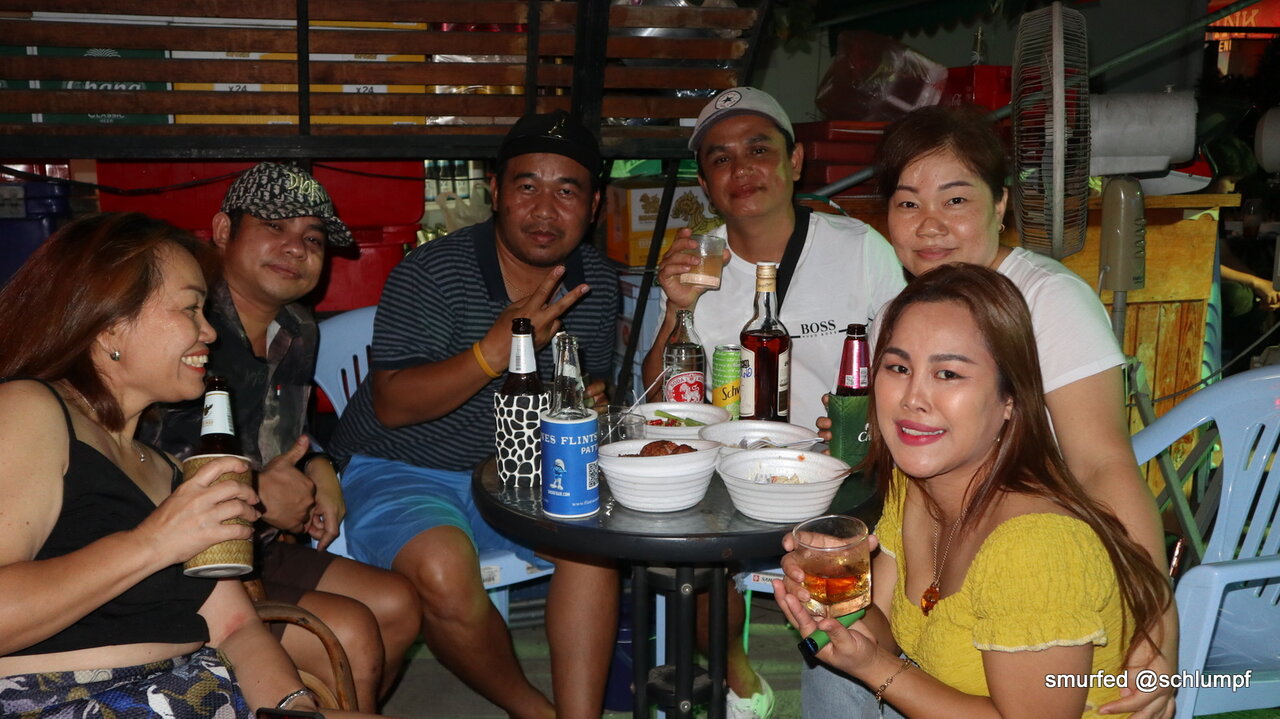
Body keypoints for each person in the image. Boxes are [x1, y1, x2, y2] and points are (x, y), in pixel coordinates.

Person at [807, 105, 1176, 718]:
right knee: (831, 664)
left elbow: (1104, 464)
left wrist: (1155, 630)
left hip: (1046, 572)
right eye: (907, 203)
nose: (930, 224)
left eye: (955, 200)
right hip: (953, 551)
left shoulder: (1048, 301)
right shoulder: (903, 311)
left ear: (1001, 204)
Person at [0, 212, 376, 719]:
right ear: (110, 324)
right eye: (190, 309)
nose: (210, 332)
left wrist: (294, 706)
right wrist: (154, 542)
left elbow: (235, 625)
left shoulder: (164, 469)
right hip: (71, 700)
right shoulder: (30, 410)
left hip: (196, 691)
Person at [775, 263, 1173, 719]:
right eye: (898, 367)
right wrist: (835, 592)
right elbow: (885, 634)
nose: (912, 398)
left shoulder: (1036, 547)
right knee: (827, 663)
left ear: (1009, 399)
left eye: (948, 374)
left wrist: (874, 667)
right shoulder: (916, 484)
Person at [328, 110, 620, 719]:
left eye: (567, 191)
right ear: (495, 191)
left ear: (593, 206)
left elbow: (578, 390)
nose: (545, 210)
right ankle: (533, 712)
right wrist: (494, 350)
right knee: (441, 568)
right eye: (527, 186)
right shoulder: (431, 272)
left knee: (592, 547)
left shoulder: (593, 282)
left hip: (523, 474)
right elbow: (393, 405)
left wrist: (589, 403)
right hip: (400, 467)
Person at [640, 86, 906, 717]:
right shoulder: (696, 260)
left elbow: (907, 361)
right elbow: (658, 403)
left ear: (795, 161)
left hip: (848, 470)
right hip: (732, 475)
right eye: (721, 158)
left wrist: (870, 419)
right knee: (684, 561)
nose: (741, 169)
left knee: (848, 595)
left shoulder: (857, 248)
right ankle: (740, 682)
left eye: (759, 149)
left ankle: (875, 677)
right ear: (705, 182)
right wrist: (675, 310)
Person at [139, 162, 420, 711]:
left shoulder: (296, 326)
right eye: (274, 226)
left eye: (312, 237)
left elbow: (285, 429)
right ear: (224, 231)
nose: (296, 247)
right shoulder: (182, 329)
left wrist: (319, 466)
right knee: (350, 631)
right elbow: (138, 461)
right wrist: (256, 492)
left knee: (398, 603)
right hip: (177, 564)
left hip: (259, 548)